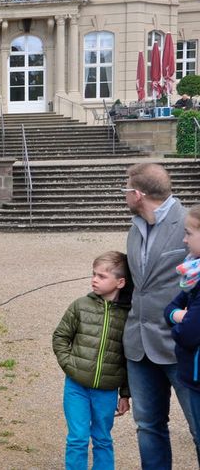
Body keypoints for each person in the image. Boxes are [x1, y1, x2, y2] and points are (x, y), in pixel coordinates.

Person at [122, 162, 200, 468]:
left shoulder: (188, 222)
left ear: (138, 194)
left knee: (198, 430)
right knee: (149, 427)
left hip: (181, 345)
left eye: (126, 189)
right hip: (139, 348)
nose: (123, 195)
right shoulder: (135, 226)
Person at [52, 251, 132, 469]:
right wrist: (70, 365)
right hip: (76, 387)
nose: (94, 279)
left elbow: (129, 358)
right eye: (93, 274)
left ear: (120, 282)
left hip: (106, 391)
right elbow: (60, 337)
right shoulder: (80, 306)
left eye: (102, 276)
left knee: (102, 438)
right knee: (77, 438)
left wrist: (125, 393)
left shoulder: (128, 315)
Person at [165, 205, 200, 444]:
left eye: (189, 233)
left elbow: (188, 333)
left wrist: (179, 319)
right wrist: (180, 315)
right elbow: (169, 308)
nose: (184, 240)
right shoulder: (193, 274)